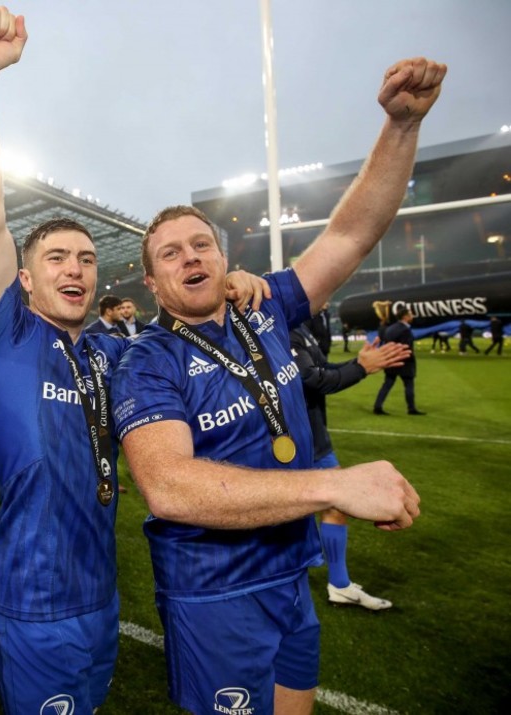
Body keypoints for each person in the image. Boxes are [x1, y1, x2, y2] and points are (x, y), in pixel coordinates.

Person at [0, 6, 266, 712]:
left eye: (88, 260)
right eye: (57, 258)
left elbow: (180, 325)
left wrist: (231, 284)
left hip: (101, 599)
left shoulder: (104, 349)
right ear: (26, 280)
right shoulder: (8, 336)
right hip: (32, 606)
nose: (76, 269)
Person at [113, 54, 445, 715]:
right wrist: (332, 484)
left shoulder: (264, 305)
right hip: (215, 593)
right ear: (152, 283)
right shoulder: (147, 361)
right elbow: (169, 485)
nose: (191, 257)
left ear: (224, 256)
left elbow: (350, 233)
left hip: (289, 573)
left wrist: (401, 127)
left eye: (201, 243)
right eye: (171, 254)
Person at [290, 323, 411, 610]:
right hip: (299, 436)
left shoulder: (300, 327)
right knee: (295, 512)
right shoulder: (283, 327)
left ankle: (339, 585)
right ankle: (329, 584)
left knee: (333, 507)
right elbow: (311, 379)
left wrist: (360, 363)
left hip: (314, 432)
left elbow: (321, 368)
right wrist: (360, 367)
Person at [373, 307, 425, 415]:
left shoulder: (391, 328)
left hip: (391, 361)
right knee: (409, 385)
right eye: (410, 314)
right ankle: (411, 408)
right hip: (404, 362)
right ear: (405, 316)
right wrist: (410, 359)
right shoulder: (405, 330)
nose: (412, 316)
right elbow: (407, 348)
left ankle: (377, 406)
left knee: (387, 384)